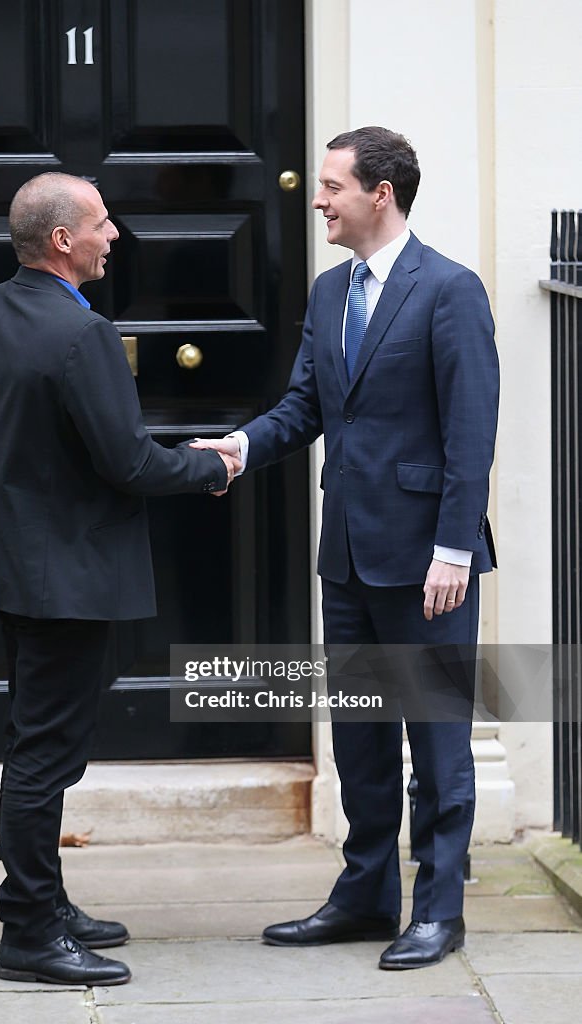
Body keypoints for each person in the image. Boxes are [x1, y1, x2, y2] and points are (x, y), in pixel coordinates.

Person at [192, 127, 499, 970]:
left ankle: (438, 909)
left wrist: (453, 549)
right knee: (362, 738)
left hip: (428, 565)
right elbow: (305, 407)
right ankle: (365, 895)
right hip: (349, 559)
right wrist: (239, 448)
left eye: (330, 186)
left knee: (436, 742)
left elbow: (470, 437)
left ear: (380, 194)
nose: (318, 200)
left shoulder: (448, 291)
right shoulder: (330, 293)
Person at [0, 172, 240, 986]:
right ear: (63, 241)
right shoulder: (81, 335)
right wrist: (209, 467)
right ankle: (30, 931)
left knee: (38, 741)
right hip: (64, 575)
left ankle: (46, 902)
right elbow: (130, 463)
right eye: (103, 224)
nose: (115, 236)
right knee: (45, 752)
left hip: (8, 564)